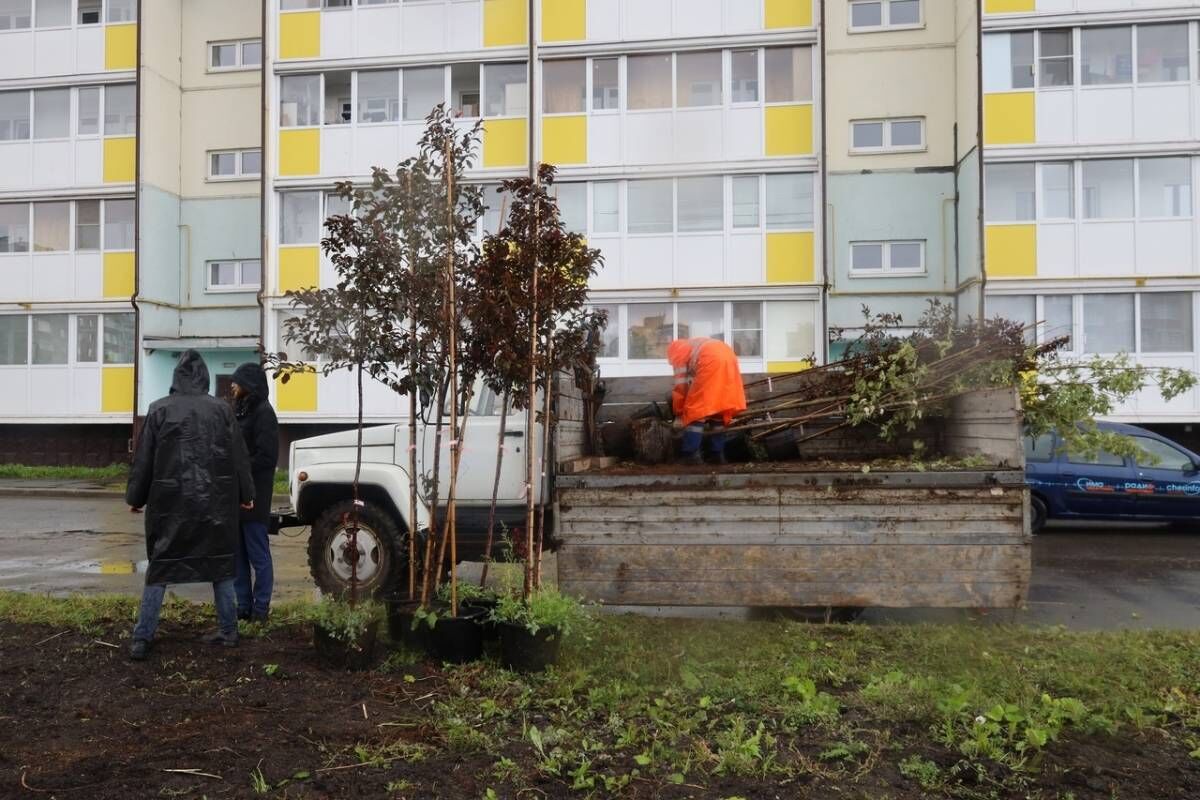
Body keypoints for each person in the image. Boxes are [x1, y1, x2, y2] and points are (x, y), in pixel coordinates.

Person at [126, 350, 254, 661]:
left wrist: (135, 497)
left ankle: (143, 637)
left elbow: (144, 460)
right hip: (215, 506)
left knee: (159, 568)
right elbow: (238, 456)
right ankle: (229, 631)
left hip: (170, 508)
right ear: (205, 378)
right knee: (220, 567)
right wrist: (247, 493)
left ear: (176, 378)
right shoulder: (222, 411)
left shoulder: (159, 410)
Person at [230, 361, 279, 623]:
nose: (232, 385)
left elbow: (267, 457)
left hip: (256, 496)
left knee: (258, 554)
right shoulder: (241, 410)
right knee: (238, 554)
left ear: (249, 384)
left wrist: (239, 465)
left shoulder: (263, 412)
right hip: (237, 495)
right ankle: (243, 606)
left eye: (237, 381)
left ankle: (260, 609)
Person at [666, 337, 747, 465]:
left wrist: (680, 413)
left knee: (696, 412)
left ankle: (690, 455)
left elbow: (681, 387)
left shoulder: (678, 353)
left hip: (710, 359)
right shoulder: (693, 346)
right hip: (729, 357)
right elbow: (694, 380)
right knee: (718, 409)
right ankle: (717, 455)